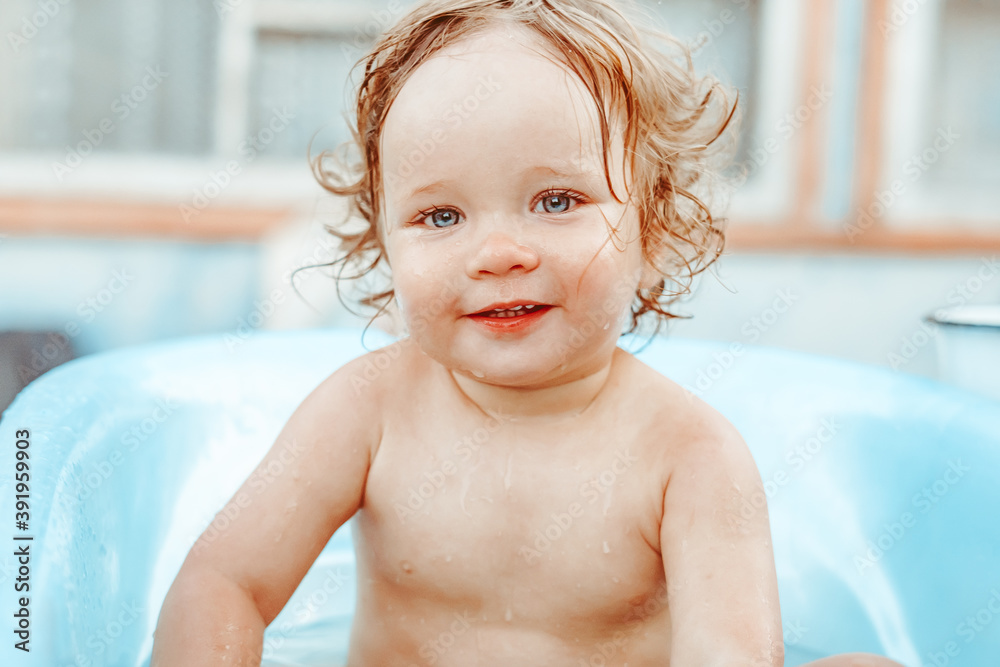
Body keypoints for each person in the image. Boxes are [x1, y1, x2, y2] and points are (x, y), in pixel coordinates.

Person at [151, 1, 905, 665]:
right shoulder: (366, 412)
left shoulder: (690, 455)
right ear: (385, 248)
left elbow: (729, 653)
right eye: (441, 216)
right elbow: (225, 582)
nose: (498, 252)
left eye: (555, 199)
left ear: (657, 229)